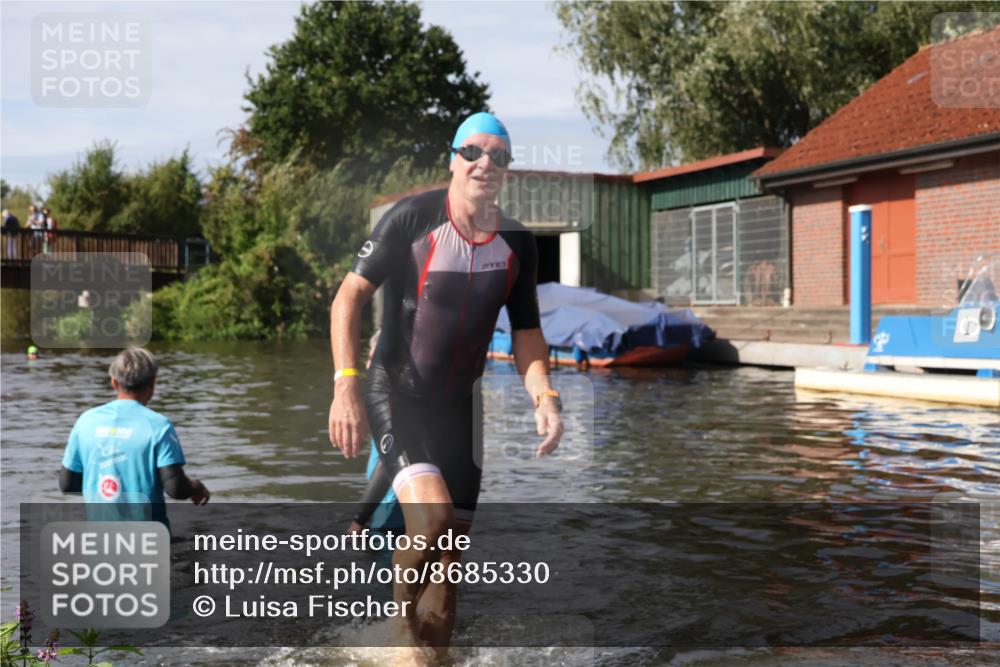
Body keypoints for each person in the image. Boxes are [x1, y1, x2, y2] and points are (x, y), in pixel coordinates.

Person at [328, 112, 564, 657]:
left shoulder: (517, 244)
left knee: (451, 561)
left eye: (499, 156)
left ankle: (433, 657)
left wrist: (545, 396)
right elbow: (348, 298)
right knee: (431, 520)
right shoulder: (411, 220)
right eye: (473, 153)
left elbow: (527, 335)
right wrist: (346, 386)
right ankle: (398, 629)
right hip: (397, 395)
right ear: (452, 159)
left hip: (461, 410)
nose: (486, 164)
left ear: (507, 169)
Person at [59, 348, 210, 528]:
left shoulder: (85, 421)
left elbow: (67, 485)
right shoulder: (159, 426)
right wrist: (196, 488)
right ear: (152, 383)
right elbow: (175, 488)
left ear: (114, 382)